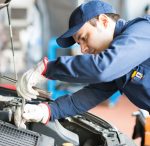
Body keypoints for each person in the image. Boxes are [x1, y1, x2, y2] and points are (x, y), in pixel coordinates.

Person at [15, 0, 150, 127]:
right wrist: (47, 111)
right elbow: (91, 94)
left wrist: (48, 68)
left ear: (104, 21)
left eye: (84, 38)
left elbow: (102, 67)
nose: (83, 50)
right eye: (79, 44)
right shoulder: (118, 62)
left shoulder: (142, 31)